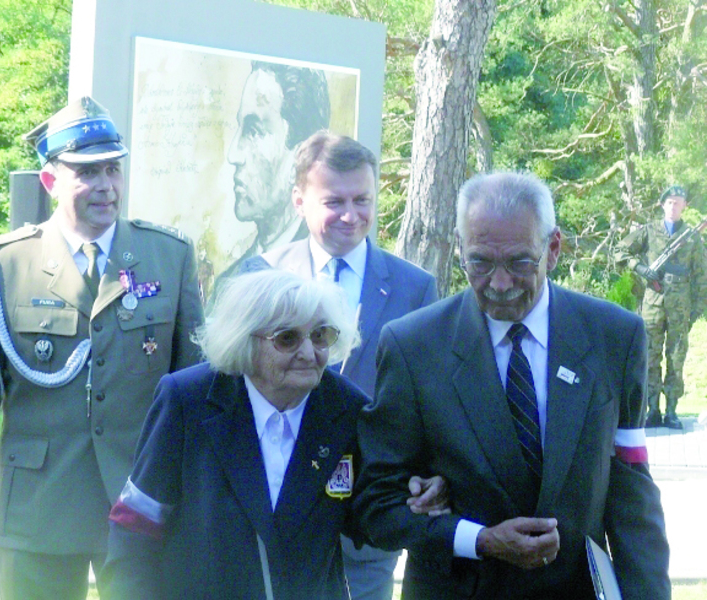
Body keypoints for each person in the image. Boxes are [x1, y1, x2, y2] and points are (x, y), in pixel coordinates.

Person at [0, 96, 204, 600]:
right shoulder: (4, 264)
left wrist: (207, 494)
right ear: (51, 181)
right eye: (86, 173)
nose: (105, 186)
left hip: (140, 493)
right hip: (40, 501)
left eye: (112, 170)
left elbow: (197, 388)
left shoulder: (168, 256)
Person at [355, 172, 670, 600]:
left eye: (520, 262)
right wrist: (478, 539)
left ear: (553, 248)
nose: (499, 284)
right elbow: (377, 504)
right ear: (460, 250)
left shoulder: (615, 337)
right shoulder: (413, 346)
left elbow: (633, 494)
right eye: (480, 263)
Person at [103, 270, 445, 600]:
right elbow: (135, 524)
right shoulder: (187, 400)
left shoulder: (346, 409)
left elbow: (368, 515)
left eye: (321, 335)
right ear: (245, 340)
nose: (309, 354)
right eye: (287, 338)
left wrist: (414, 495)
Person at [242, 131, 438, 600]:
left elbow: (426, 401)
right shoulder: (259, 278)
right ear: (299, 201)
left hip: (368, 510)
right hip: (277, 506)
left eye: (362, 200)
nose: (351, 216)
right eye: (334, 201)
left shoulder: (415, 290)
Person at [220, 61, 331, 280]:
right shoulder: (228, 283)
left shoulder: (327, 274)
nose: (233, 154)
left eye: (253, 131)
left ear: (300, 158)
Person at [616, 185, 707, 429]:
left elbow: (701, 275)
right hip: (653, 305)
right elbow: (620, 251)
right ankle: (653, 409)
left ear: (684, 206)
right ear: (662, 205)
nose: (673, 206)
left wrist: (697, 309)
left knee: (676, 358)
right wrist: (640, 267)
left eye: (678, 202)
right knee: (649, 356)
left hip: (681, 308)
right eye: (669, 202)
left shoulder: (692, 236)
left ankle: (672, 412)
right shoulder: (649, 231)